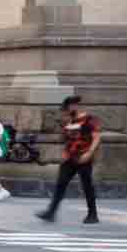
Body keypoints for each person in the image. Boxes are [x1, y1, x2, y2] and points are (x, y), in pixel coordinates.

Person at [38, 95, 102, 225]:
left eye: (67, 108)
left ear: (74, 106)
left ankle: (92, 214)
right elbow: (66, 138)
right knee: (61, 183)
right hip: (69, 158)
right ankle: (51, 212)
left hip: (84, 157)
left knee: (87, 186)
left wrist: (89, 153)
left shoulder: (89, 119)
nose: (66, 111)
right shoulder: (69, 121)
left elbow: (96, 137)